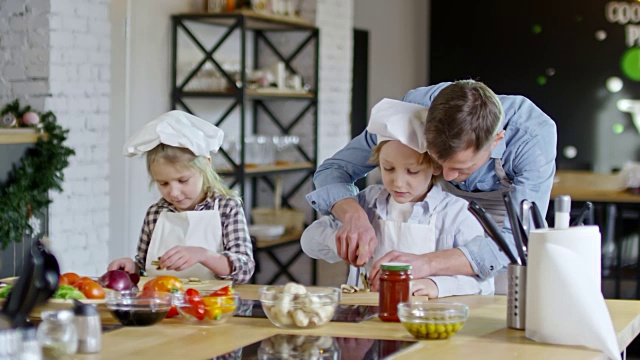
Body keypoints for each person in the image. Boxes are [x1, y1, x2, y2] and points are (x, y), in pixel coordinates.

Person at [306, 80, 556, 288]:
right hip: (438, 202)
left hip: (504, 217)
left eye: (460, 168)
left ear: (496, 140)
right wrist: (353, 218)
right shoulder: (409, 113)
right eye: (438, 162)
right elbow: (334, 170)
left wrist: (427, 263)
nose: (446, 176)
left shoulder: (532, 137)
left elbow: (518, 240)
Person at [301, 99, 494, 297]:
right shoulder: (367, 202)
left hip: (424, 320)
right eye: (388, 168)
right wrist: (339, 242)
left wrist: (435, 286)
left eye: (412, 171)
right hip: (365, 317)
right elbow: (309, 241)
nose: (398, 183)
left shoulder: (456, 214)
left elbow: (485, 283)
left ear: (437, 166)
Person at [108, 110, 255, 283]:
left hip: (211, 305)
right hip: (163, 304)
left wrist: (203, 255)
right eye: (163, 183)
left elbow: (244, 269)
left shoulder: (226, 208)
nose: (174, 192)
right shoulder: (156, 213)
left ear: (206, 165)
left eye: (183, 180)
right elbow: (145, 267)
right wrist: (131, 267)